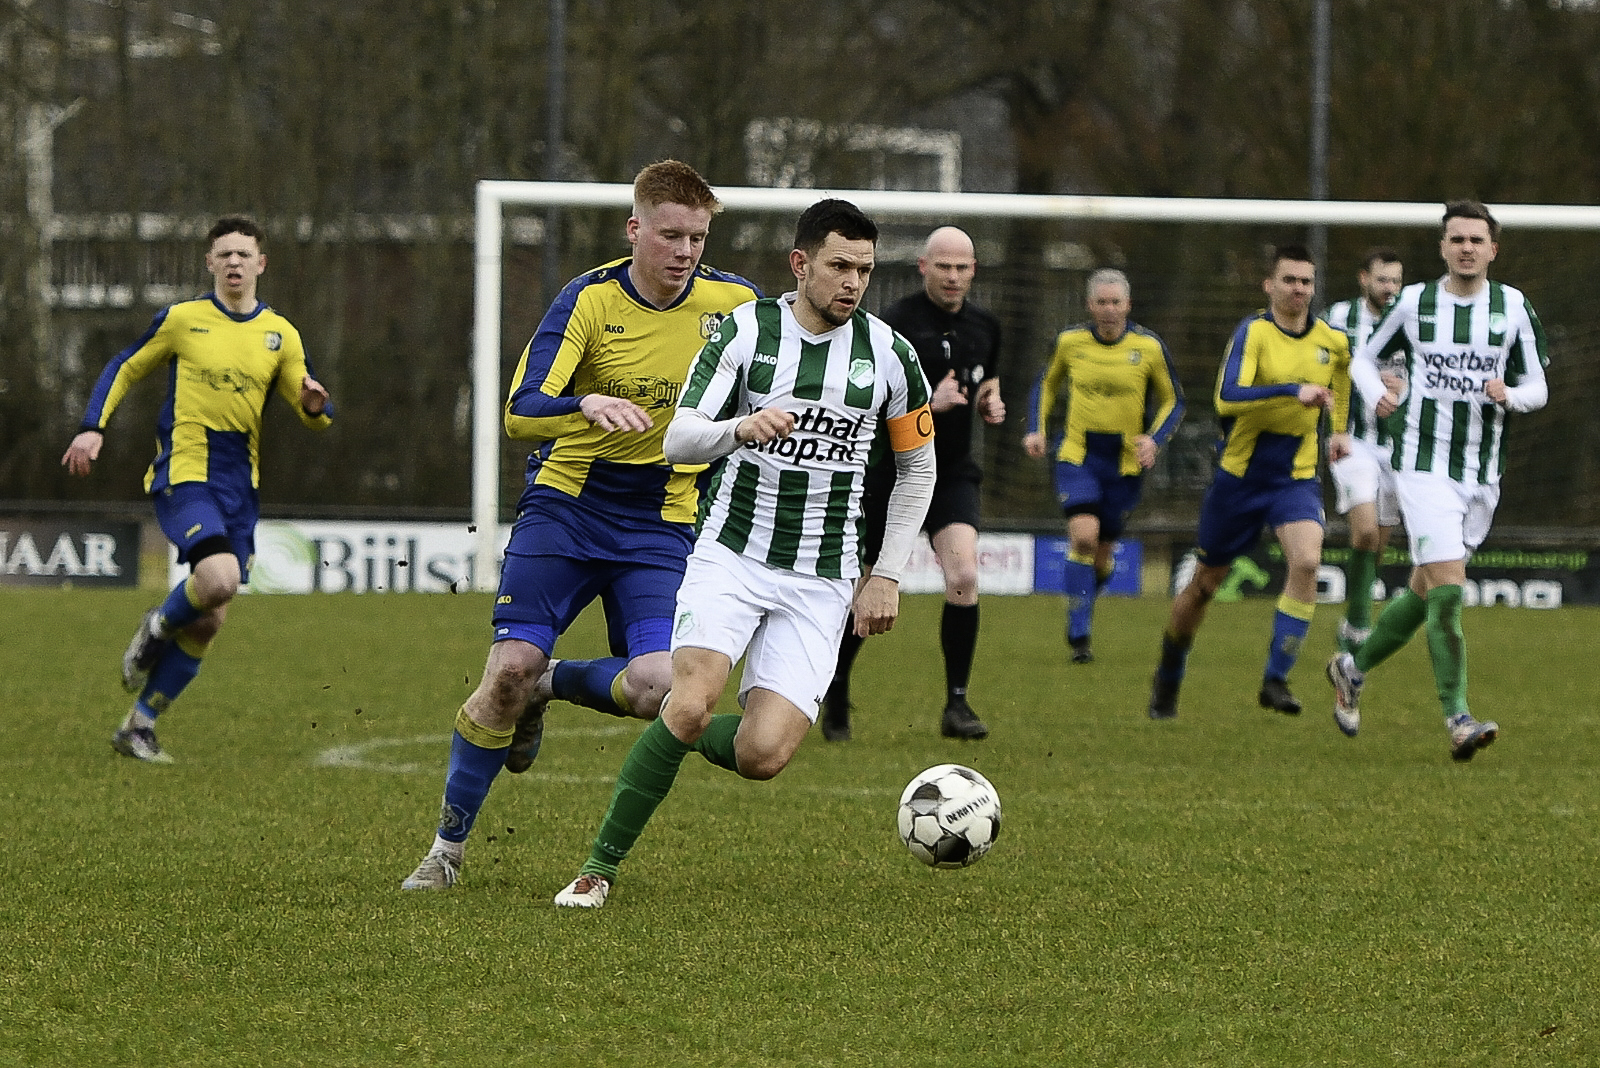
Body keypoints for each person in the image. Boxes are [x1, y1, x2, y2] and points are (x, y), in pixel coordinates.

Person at [552, 198, 936, 908]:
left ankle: (674, 728)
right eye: (839, 266)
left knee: (764, 755)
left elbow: (918, 469)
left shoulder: (891, 355)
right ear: (801, 264)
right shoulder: (746, 330)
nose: (853, 283)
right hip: (731, 554)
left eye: (864, 270)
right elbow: (679, 439)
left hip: (823, 576)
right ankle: (597, 869)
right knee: (691, 700)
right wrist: (739, 428)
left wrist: (885, 573)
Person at [400, 161, 761, 890]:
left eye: (696, 237)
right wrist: (585, 403)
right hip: (567, 508)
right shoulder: (589, 299)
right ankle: (446, 851)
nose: (684, 251)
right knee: (508, 670)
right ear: (634, 229)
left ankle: (554, 684)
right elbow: (520, 410)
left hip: (661, 522)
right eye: (670, 235)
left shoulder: (738, 306)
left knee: (658, 689)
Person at [61, 215, 334, 763]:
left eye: (243, 254)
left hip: (240, 488)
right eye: (224, 253)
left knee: (210, 616)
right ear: (210, 262)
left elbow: (311, 411)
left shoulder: (280, 335)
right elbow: (124, 366)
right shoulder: (183, 320)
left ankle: (138, 726)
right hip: (184, 472)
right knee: (219, 577)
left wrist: (314, 407)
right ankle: (156, 625)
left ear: (261, 264)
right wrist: (94, 427)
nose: (234, 262)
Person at [1327, 201, 1548, 758]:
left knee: (1425, 589)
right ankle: (1458, 718)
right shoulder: (1415, 302)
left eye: (1476, 239)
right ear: (1443, 247)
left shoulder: (1512, 307)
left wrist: (1510, 395)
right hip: (1422, 466)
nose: (1466, 248)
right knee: (1449, 593)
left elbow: (1538, 386)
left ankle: (1352, 668)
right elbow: (1360, 359)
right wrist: (1376, 395)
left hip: (1482, 473)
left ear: (1493, 249)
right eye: (1457, 239)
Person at [1147, 245, 1350, 720]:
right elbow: (1227, 396)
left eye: (1306, 281)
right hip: (1239, 479)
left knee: (1307, 562)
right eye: (1289, 280)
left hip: (1295, 478)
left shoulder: (1332, 341)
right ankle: (1169, 672)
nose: (1298, 289)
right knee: (1205, 585)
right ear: (1269, 285)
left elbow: (1341, 381)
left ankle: (1276, 679)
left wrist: (1339, 431)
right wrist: (1291, 391)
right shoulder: (1254, 332)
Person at [820, 226, 1002, 742]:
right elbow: (864, 405)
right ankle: (836, 689)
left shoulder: (986, 326)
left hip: (952, 472)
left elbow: (988, 383)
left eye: (962, 267)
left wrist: (990, 403)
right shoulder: (891, 326)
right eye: (944, 266)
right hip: (891, 472)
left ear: (974, 271)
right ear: (923, 266)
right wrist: (927, 404)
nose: (953, 276)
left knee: (964, 575)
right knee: (866, 590)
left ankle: (957, 704)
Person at [1024, 268, 1184, 664]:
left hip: (1125, 464)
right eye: (1102, 302)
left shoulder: (1148, 347)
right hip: (1078, 455)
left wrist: (1154, 439)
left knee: (1102, 556)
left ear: (1128, 305)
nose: (1109, 309)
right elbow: (1046, 384)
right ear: (1089, 305)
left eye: (1116, 302)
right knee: (1084, 537)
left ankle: (1082, 599)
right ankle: (1079, 633)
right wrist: (1036, 430)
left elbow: (1173, 400)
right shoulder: (1070, 343)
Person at [1324, 248, 1405, 653]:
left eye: (1395, 281)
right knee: (1366, 529)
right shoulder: (1338, 318)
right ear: (1363, 279)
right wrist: (1332, 424)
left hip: (1398, 447)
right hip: (1352, 440)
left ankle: (1352, 623)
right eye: (1382, 280)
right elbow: (1318, 367)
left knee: (1379, 543)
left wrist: (1405, 387)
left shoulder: (1411, 318)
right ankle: (1358, 625)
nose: (1389, 288)